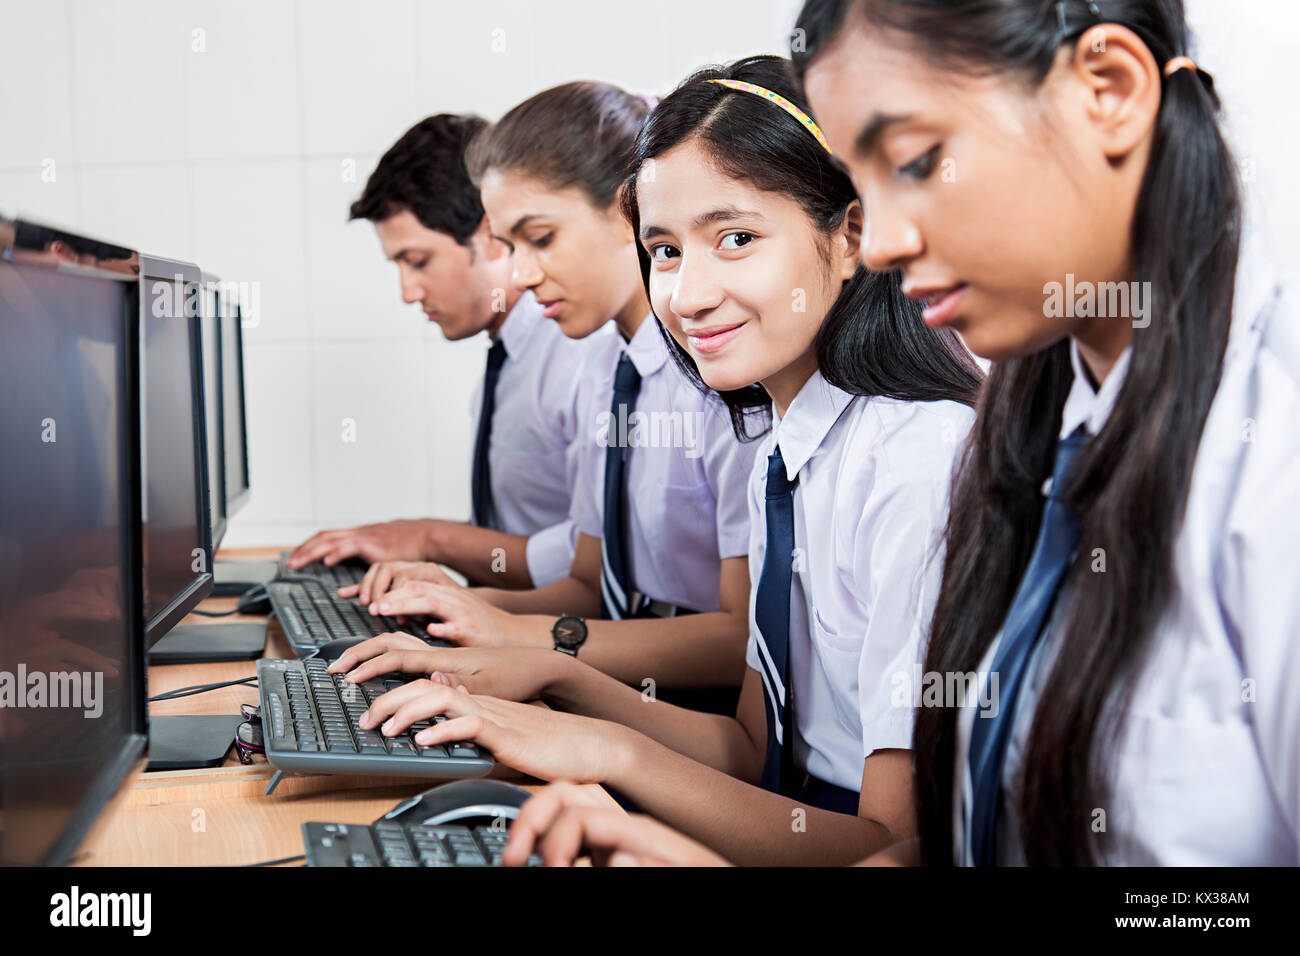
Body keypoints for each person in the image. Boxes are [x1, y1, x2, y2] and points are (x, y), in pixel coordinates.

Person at [331, 56, 980, 866]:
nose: (687, 293)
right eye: (666, 251)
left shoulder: (914, 462)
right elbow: (754, 748)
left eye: (735, 239)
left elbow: (889, 844)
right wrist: (555, 687)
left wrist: (607, 751)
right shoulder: (785, 443)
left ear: (850, 236)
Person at [345, 82, 758, 709]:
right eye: (511, 248)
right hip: (618, 685)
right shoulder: (605, 371)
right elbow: (590, 585)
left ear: (629, 212)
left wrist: (519, 635)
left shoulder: (718, 375)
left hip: (696, 711)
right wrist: (461, 608)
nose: (520, 275)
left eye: (540, 239)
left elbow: (743, 641)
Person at [286, 114, 614, 589]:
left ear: (489, 233)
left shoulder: (581, 355)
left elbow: (594, 563)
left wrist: (430, 539)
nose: (408, 291)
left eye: (418, 262)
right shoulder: (506, 361)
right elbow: (517, 536)